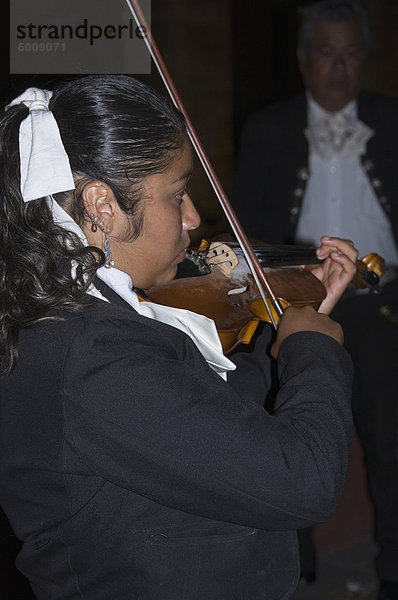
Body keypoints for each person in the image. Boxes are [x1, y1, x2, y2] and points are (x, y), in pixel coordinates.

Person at [0, 74, 357, 600]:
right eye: (177, 193)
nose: (193, 218)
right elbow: (304, 481)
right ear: (101, 205)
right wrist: (313, 350)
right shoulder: (92, 353)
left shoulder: (82, 310)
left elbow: (200, 419)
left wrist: (291, 322)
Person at [232, 1, 398, 598]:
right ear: (303, 60)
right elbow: (246, 226)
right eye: (326, 52)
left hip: (383, 308)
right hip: (298, 307)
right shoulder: (268, 127)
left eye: (351, 52)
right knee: (292, 437)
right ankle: (296, 573)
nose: (339, 66)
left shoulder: (392, 118)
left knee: (392, 445)